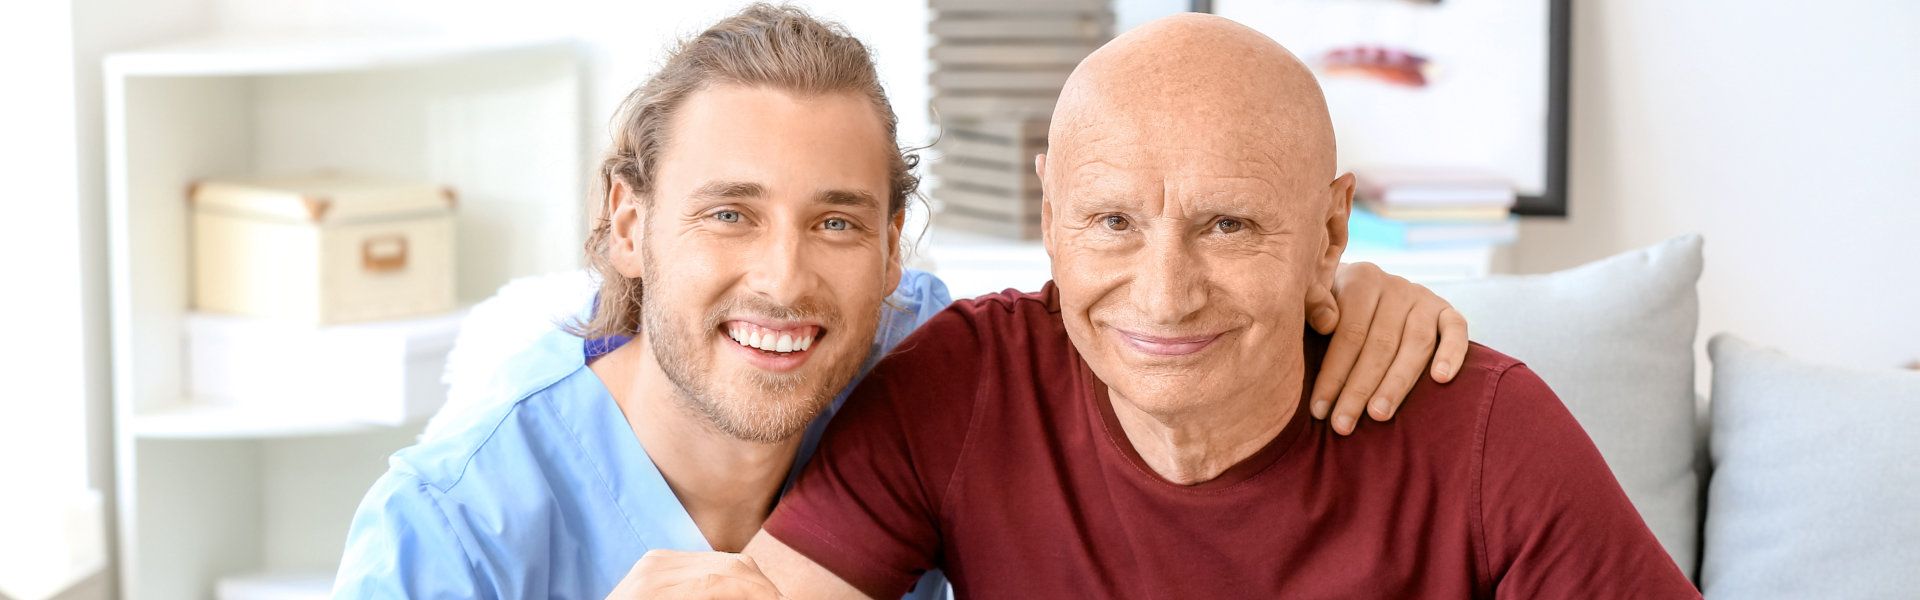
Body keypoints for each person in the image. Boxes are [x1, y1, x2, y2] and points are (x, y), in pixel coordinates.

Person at [333, 5, 1471, 599]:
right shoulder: (451, 526)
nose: (785, 278)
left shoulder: (934, 367)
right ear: (627, 221)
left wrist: (1342, 292)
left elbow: (1153, 324)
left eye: (834, 222)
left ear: (891, 251)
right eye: (729, 212)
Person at [671, 13, 1702, 599]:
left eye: (1229, 227)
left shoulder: (1483, 434)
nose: (1163, 296)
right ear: (1051, 215)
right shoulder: (960, 387)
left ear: (1330, 236)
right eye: (1112, 222)